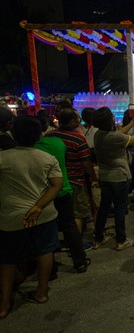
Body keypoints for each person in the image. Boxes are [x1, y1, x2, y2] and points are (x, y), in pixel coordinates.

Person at [0, 116, 63, 318]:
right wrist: (38, 206)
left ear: (14, 134)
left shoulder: (3, 158)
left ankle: (5, 302)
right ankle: (41, 292)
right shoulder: (46, 158)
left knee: (8, 259)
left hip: (12, 216)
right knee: (45, 251)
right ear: (38, 135)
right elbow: (57, 185)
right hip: (43, 214)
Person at [35, 115, 90, 273]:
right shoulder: (68, 141)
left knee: (46, 228)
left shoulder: (47, 140)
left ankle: (49, 268)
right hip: (68, 184)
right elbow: (85, 162)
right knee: (72, 221)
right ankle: (79, 261)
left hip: (43, 190)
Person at [92, 107, 134, 251]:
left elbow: (118, 134)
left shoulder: (99, 135)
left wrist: (131, 123)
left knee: (104, 206)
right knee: (120, 208)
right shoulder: (114, 137)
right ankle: (121, 240)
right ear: (109, 120)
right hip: (120, 176)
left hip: (105, 176)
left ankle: (98, 238)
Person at [45, 108, 97, 245]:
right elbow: (86, 163)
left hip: (54, 181)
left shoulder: (50, 135)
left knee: (60, 213)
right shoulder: (78, 139)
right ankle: (75, 244)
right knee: (77, 214)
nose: (80, 121)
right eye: (78, 119)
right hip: (76, 181)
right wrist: (93, 176)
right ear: (72, 121)